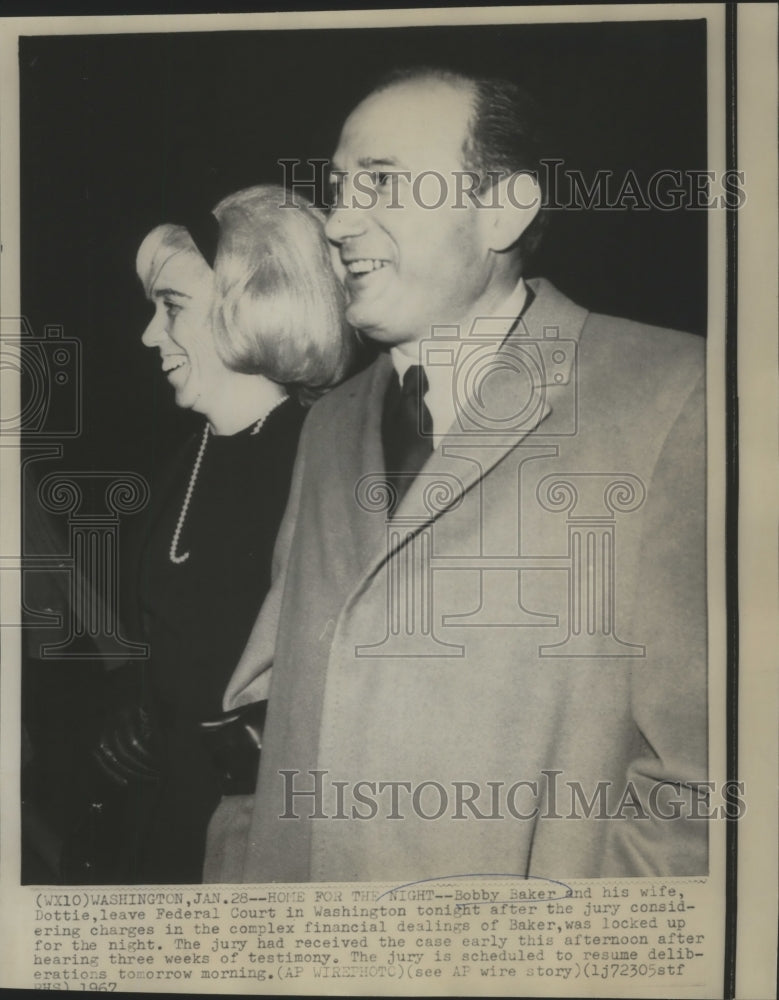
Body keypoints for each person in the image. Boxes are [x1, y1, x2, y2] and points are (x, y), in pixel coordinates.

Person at [206, 68, 707, 882]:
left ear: (504, 208)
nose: (337, 221)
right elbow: (266, 715)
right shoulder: (328, 426)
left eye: (382, 180)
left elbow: (705, 784)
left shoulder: (673, 393)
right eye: (337, 189)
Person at [90, 184, 352, 884]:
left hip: (259, 836)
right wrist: (135, 698)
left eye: (171, 307)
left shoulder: (328, 457)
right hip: (162, 812)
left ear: (251, 303)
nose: (149, 334)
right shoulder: (186, 456)